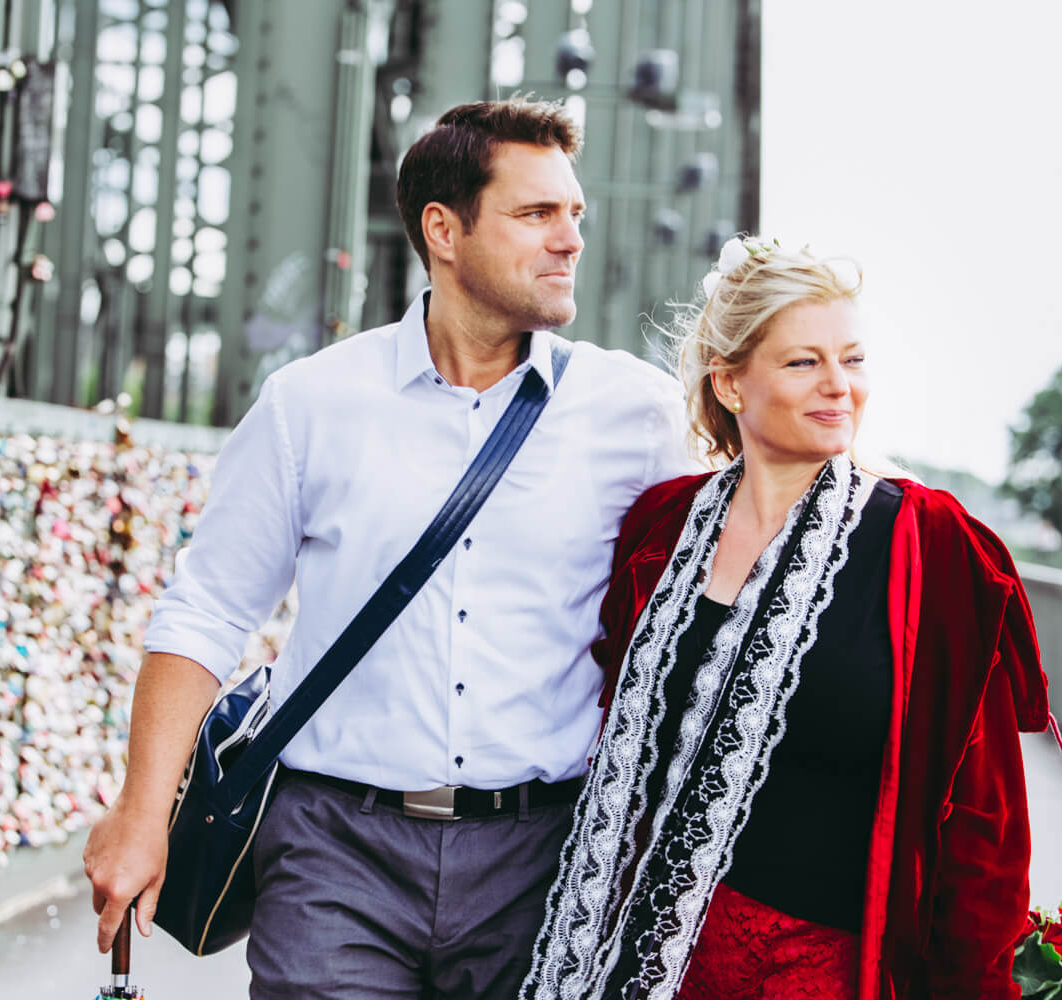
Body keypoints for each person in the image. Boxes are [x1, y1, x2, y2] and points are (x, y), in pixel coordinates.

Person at [81, 98, 699, 999]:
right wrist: (142, 810)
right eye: (536, 215)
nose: (569, 240)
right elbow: (208, 610)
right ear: (442, 230)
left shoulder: (639, 415)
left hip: (544, 858)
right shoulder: (311, 404)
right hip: (335, 852)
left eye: (575, 215)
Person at [520, 237, 1062, 1000]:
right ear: (732, 384)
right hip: (644, 961)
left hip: (819, 972)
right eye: (802, 362)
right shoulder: (661, 529)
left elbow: (986, 825)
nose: (838, 386)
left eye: (852, 359)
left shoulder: (933, 547)